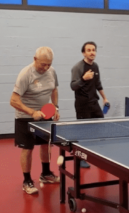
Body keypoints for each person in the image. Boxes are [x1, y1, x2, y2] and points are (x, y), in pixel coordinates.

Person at [10, 47, 60, 195]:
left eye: (49, 64)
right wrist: (32, 112)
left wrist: (55, 107)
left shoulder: (52, 72)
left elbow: (54, 90)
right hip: (25, 117)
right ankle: (27, 181)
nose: (46, 67)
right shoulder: (26, 74)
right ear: (34, 59)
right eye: (43, 64)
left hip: (45, 115)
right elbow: (13, 100)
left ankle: (45, 174)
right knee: (28, 148)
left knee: (46, 145)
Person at [70, 41, 109, 168]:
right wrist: (83, 79)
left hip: (94, 102)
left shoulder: (95, 66)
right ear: (83, 53)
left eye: (94, 50)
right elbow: (73, 86)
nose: (92, 52)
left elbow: (98, 84)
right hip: (82, 104)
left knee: (101, 128)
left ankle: (100, 155)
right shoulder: (78, 67)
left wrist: (104, 98)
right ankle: (80, 158)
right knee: (83, 132)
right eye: (89, 50)